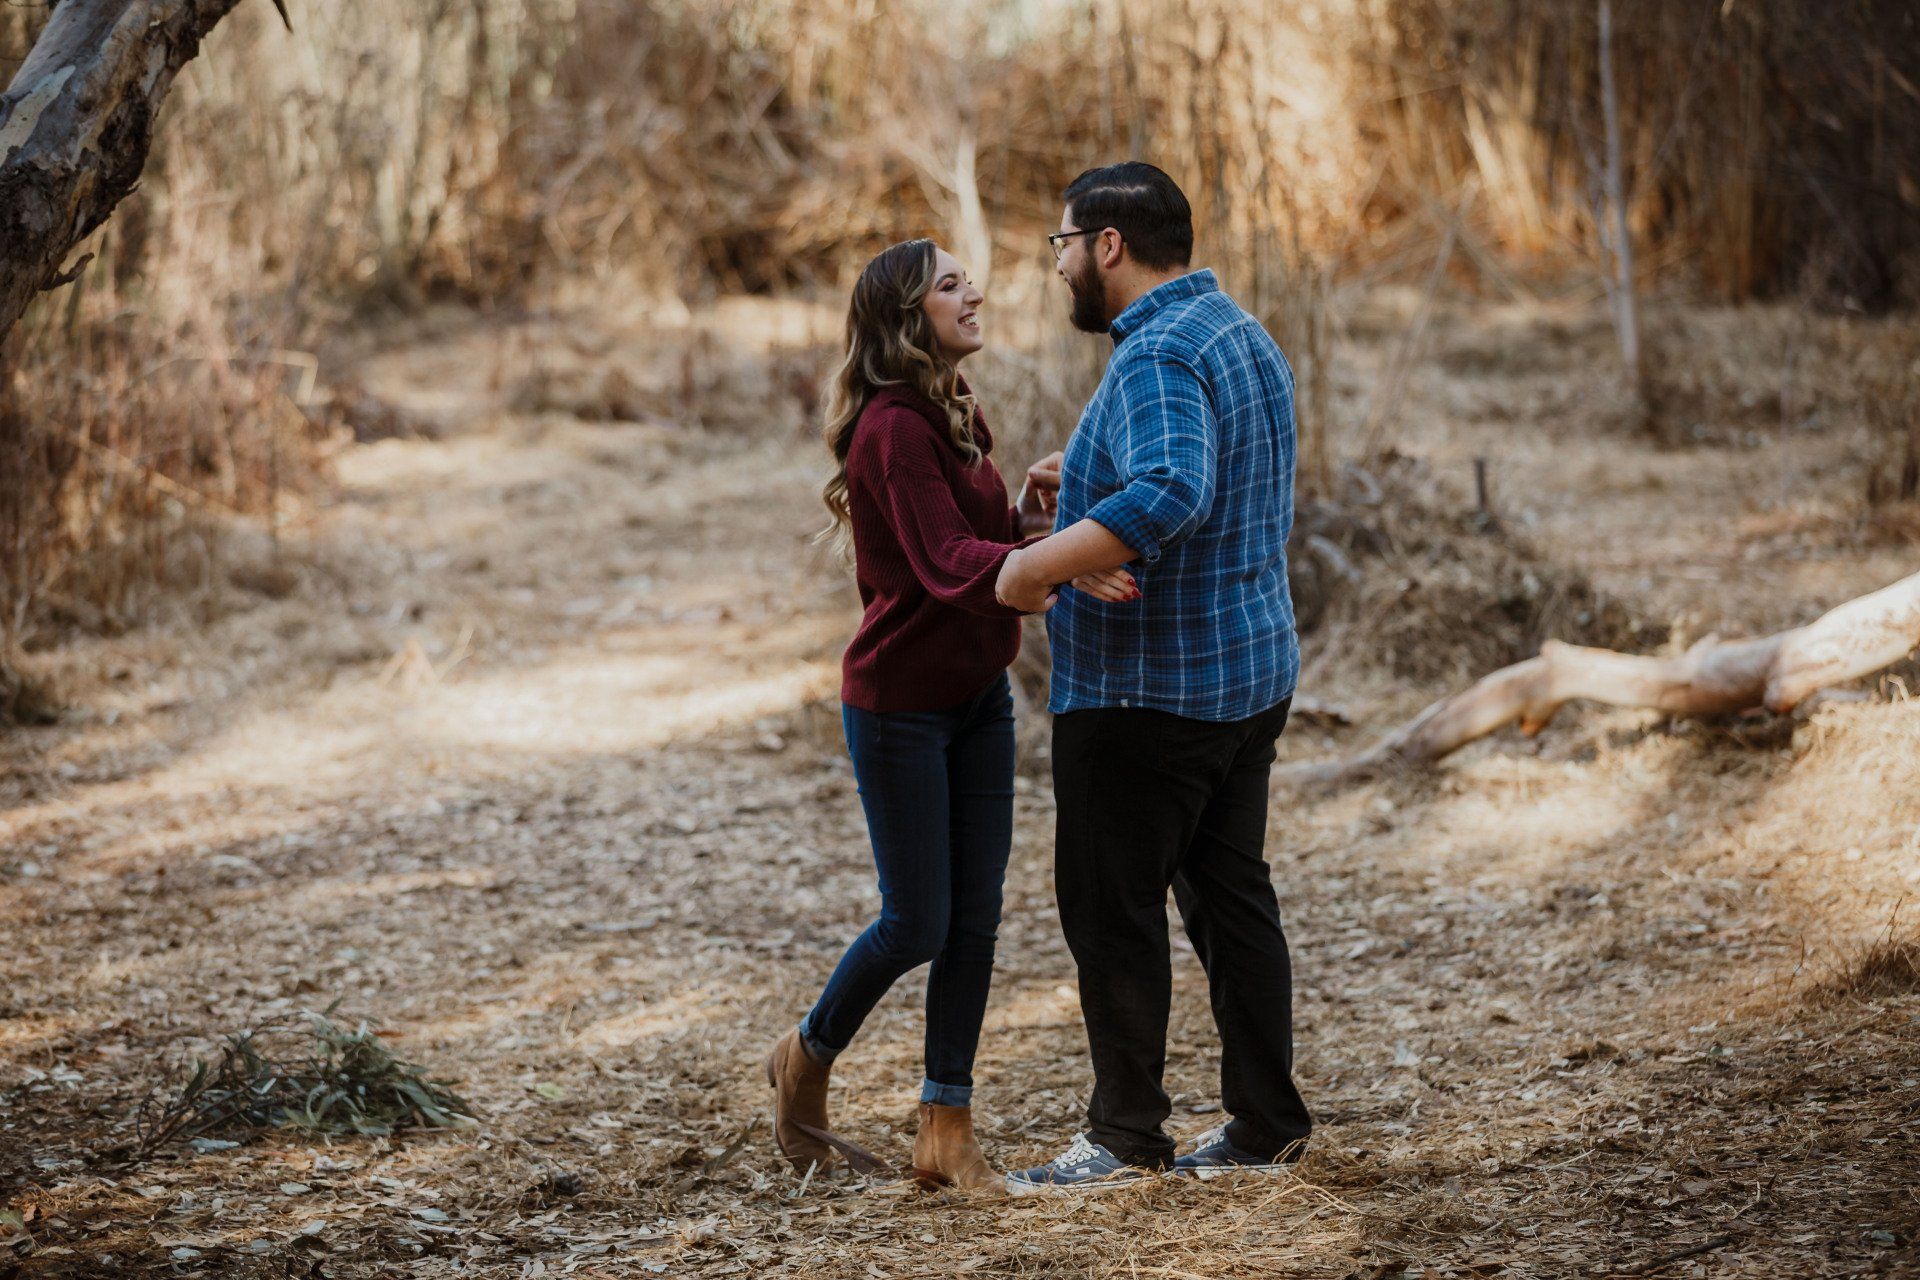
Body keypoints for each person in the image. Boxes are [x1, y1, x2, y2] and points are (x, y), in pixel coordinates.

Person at [765, 238, 1136, 1191]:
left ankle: (946, 1127)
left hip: (977, 695)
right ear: (906, 318)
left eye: (967, 279)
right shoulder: (892, 428)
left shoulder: (952, 402)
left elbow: (975, 544)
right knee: (917, 921)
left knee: (975, 919)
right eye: (949, 284)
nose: (974, 292)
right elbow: (943, 565)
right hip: (899, 706)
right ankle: (805, 1054)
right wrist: (1059, 561)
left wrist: (1030, 520)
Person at [995, 162, 1312, 1192]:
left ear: (1109, 245)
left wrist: (1034, 568)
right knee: (1232, 899)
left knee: (1111, 909)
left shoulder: (1158, 350)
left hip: (1150, 693)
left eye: (1063, 244)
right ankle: (1267, 1128)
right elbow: (1201, 472)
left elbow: (1175, 485)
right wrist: (1088, 478)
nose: (1059, 265)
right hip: (1246, 677)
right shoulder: (1236, 331)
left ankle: (1126, 1136)